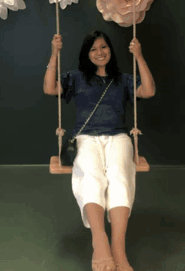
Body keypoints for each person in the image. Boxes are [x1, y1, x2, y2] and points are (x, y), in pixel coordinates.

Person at [43, 31, 156, 271]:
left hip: (118, 137)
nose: (100, 53)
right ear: (87, 54)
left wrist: (140, 57)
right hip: (86, 138)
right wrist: (54, 53)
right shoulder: (76, 78)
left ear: (111, 50)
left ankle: (118, 248)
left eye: (103, 47)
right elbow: (50, 88)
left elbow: (148, 91)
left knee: (120, 177)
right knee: (92, 176)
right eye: (93, 49)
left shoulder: (123, 79)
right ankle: (99, 239)